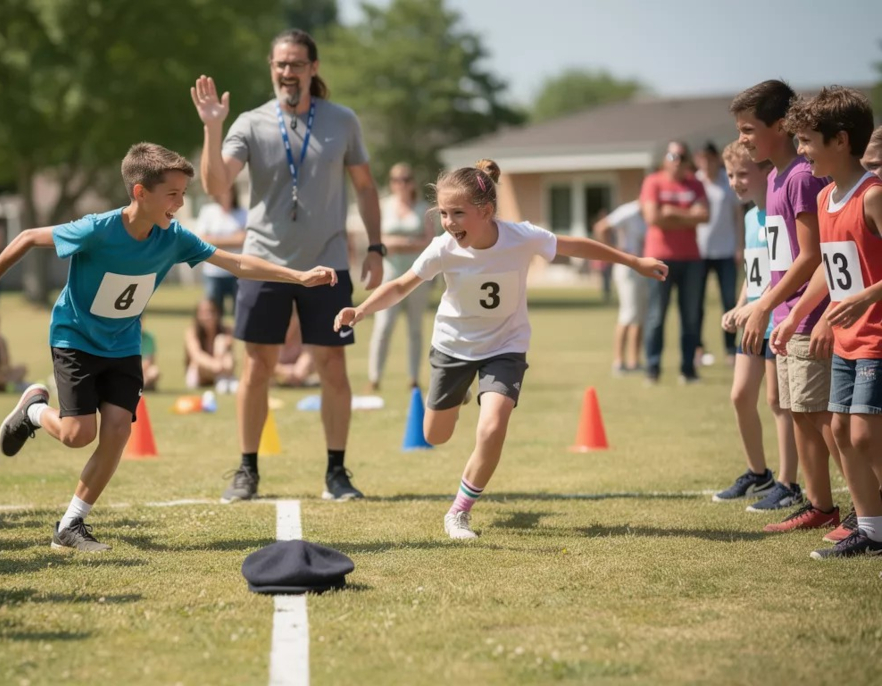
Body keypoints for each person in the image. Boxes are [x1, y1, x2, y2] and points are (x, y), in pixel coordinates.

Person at [0, 142, 336, 552]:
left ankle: (71, 525)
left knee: (118, 430)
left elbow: (236, 263)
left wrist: (298, 278)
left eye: (182, 194)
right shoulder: (97, 229)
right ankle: (33, 411)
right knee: (77, 435)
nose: (179, 204)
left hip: (123, 344)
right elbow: (30, 236)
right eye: (172, 195)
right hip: (75, 338)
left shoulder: (173, 237)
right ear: (140, 193)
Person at [335, 160, 667, 540]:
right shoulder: (443, 247)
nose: (448, 222)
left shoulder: (521, 236)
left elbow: (574, 245)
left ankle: (459, 512)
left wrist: (633, 261)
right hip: (453, 348)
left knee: (492, 426)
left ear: (487, 211)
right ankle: (457, 396)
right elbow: (400, 285)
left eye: (458, 213)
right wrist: (360, 310)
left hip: (505, 348)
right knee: (434, 435)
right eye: (443, 213)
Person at [191, 28, 385, 504]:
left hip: (329, 262)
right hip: (263, 262)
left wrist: (376, 248)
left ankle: (337, 473)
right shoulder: (252, 123)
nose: (287, 72)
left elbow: (364, 186)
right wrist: (213, 128)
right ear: (271, 68)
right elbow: (217, 185)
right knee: (257, 367)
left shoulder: (343, 121)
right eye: (280, 64)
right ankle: (246, 471)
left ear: (313, 68)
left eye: (297, 63)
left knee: (333, 366)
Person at [771, 87, 882, 558]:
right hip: (844, 339)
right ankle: (872, 530)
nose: (801, 151)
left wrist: (866, 298)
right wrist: (796, 313)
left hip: (876, 336)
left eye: (807, 141)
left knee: (861, 433)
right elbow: (826, 265)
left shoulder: (872, 195)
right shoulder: (827, 198)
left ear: (840, 140)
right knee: (838, 430)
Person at [732, 80, 841, 534]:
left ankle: (868, 500)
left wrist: (768, 306)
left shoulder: (799, 176)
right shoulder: (775, 176)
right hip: (785, 317)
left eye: (749, 129)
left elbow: (811, 256)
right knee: (799, 413)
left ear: (781, 126)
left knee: (823, 417)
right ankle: (819, 505)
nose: (742, 140)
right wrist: (764, 307)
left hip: (810, 315)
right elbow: (779, 259)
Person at [712, 142, 800, 510]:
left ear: (767, 171)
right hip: (753, 321)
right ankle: (758, 473)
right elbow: (755, 274)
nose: (735, 182)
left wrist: (763, 306)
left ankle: (788, 483)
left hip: (777, 320)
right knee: (740, 396)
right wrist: (739, 306)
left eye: (743, 173)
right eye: (731, 175)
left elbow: (789, 271)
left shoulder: (783, 212)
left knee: (779, 402)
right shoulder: (749, 218)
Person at [639, 141, 710, 384]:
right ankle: (652, 369)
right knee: (656, 316)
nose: (677, 160)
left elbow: (704, 215)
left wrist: (670, 211)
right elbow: (652, 218)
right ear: (664, 159)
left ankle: (688, 370)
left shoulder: (695, 183)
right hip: (659, 258)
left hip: (691, 259)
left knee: (691, 317)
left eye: (681, 156)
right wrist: (687, 216)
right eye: (672, 155)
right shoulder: (653, 181)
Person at [366, 163, 435, 393]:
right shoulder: (384, 207)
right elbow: (378, 240)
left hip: (417, 276)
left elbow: (429, 242)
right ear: (391, 183)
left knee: (415, 329)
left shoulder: (424, 209)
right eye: (397, 179)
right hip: (390, 276)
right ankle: (374, 378)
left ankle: (414, 378)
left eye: (406, 179)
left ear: (412, 181)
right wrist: (406, 243)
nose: (402, 183)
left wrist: (400, 244)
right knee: (383, 327)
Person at [695, 141, 741, 367]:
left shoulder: (727, 180)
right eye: (701, 158)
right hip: (699, 253)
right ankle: (698, 348)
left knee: (729, 301)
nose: (705, 163)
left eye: (708, 158)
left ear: (715, 159)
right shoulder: (694, 182)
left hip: (726, 251)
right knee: (696, 304)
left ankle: (731, 349)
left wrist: (740, 246)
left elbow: (738, 216)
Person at [594, 200, 648, 374]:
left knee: (640, 315)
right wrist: (616, 252)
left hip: (644, 268)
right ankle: (618, 362)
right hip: (627, 268)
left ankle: (634, 362)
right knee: (628, 314)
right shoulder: (629, 211)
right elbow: (601, 227)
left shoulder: (651, 213)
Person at [194, 188, 246, 317]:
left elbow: (243, 240)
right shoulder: (208, 211)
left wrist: (214, 240)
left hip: (236, 271)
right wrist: (232, 239)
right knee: (213, 314)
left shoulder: (243, 213)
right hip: (213, 272)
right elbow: (202, 240)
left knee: (240, 313)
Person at [185, 299, 236, 391]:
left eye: (211, 312)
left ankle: (222, 381)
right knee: (199, 363)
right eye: (203, 313)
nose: (208, 316)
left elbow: (230, 362)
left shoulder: (226, 330)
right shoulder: (193, 332)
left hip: (221, 368)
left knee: (220, 341)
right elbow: (196, 355)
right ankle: (223, 380)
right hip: (200, 373)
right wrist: (216, 366)